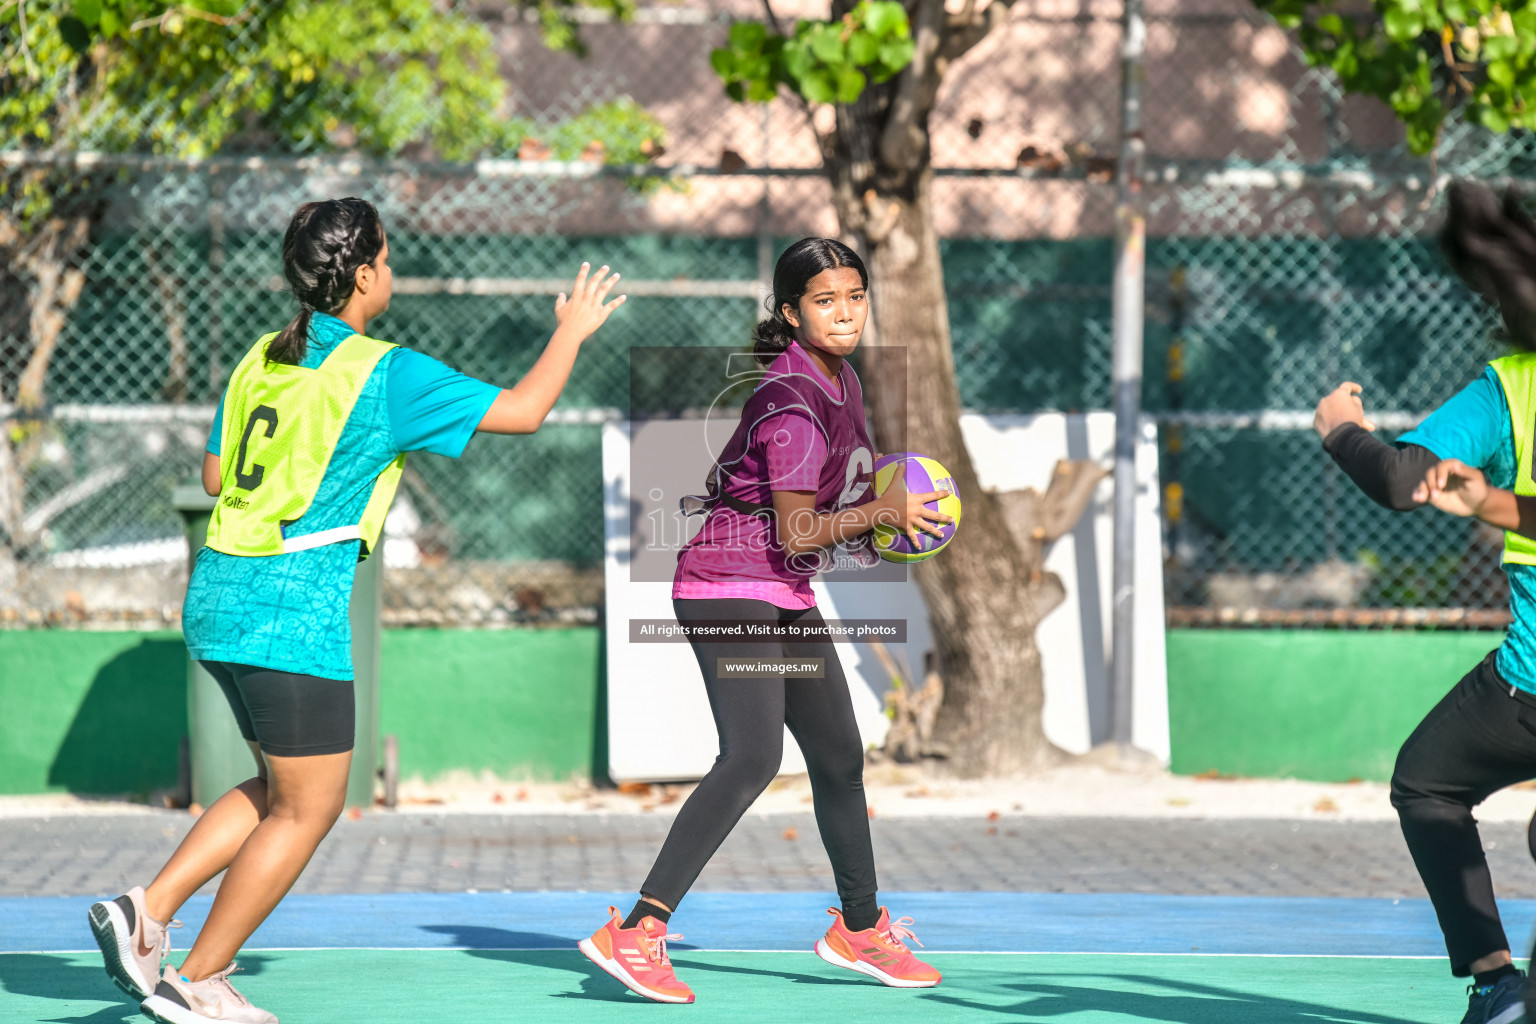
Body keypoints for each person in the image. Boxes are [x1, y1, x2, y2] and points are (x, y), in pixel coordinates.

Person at [87, 197, 624, 1024]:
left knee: (278, 788)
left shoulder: (260, 356)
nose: (394, 268)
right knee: (312, 806)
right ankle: (199, 977)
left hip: (218, 593)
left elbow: (212, 478)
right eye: (390, 254)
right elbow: (523, 411)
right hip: (290, 610)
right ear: (367, 272)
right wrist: (572, 333)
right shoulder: (386, 371)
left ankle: (146, 911)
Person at [577, 237, 949, 1004]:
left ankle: (858, 929)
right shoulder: (791, 401)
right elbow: (797, 530)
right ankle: (637, 930)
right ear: (791, 312)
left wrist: (880, 515)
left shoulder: (838, 377)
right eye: (824, 301)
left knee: (841, 756)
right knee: (750, 757)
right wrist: (884, 511)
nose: (844, 312)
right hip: (729, 586)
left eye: (854, 296)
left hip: (779, 589)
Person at [1313, 181, 1536, 1024]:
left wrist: (1340, 427)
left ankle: (1496, 983)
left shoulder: (1513, 389)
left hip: (1532, 684)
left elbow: (1404, 481)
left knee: (1428, 782)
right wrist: (1494, 505)